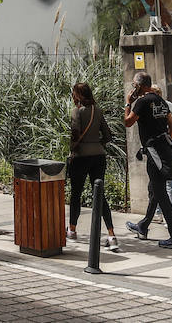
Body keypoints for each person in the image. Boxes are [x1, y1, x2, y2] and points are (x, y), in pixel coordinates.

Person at [123, 71, 172, 249]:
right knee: (154, 190)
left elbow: (128, 122)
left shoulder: (142, 102)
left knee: (160, 193)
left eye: (134, 85)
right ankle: (143, 226)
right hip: (163, 149)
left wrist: (128, 103)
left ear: (138, 85)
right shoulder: (160, 100)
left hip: (154, 152)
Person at [67, 82, 120, 253]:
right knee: (100, 194)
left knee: (76, 193)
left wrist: (75, 147)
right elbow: (108, 135)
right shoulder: (98, 111)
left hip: (81, 157)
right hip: (99, 156)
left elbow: (75, 132)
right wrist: (96, 144)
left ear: (78, 95)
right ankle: (111, 235)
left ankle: (72, 229)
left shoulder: (77, 111)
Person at [146, 83, 172, 228]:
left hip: (163, 146)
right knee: (155, 183)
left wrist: (164, 141)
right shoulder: (168, 105)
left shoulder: (157, 106)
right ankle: (158, 213)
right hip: (168, 145)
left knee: (167, 183)